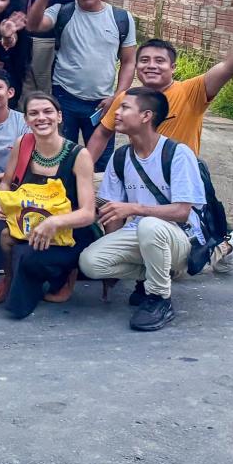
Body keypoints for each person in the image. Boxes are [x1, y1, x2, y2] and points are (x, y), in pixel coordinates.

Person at [86, 0, 233, 273]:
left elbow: (229, 66)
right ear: (135, 67)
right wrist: (83, 168)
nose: (151, 65)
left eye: (160, 61)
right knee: (92, 200)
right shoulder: (125, 98)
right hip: (140, 175)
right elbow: (102, 135)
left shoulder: (191, 92)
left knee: (179, 248)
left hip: (180, 179)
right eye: (145, 60)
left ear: (173, 67)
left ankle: (225, 245)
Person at [79, 88, 210, 331]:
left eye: (124, 108)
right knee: (91, 262)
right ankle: (151, 275)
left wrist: (135, 208)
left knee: (149, 225)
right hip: (142, 235)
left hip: (180, 236)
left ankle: (160, 298)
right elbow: (112, 212)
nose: (115, 112)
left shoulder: (178, 153)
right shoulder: (120, 157)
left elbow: (182, 211)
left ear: (146, 116)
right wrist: (111, 263)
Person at [0, 92, 97, 318]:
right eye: (33, 113)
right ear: (26, 120)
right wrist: (3, 202)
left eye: (47, 112)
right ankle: (9, 277)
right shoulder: (23, 144)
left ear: (60, 117)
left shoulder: (79, 155)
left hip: (69, 229)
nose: (41, 118)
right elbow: (6, 182)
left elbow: (88, 213)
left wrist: (54, 222)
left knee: (29, 254)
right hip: (29, 218)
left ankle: (64, 276)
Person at [25, 0, 136, 167]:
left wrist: (118, 96)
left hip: (103, 103)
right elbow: (32, 25)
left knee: (102, 162)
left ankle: (95, 199)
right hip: (64, 97)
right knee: (61, 156)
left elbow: (129, 62)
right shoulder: (62, 11)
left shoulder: (121, 18)